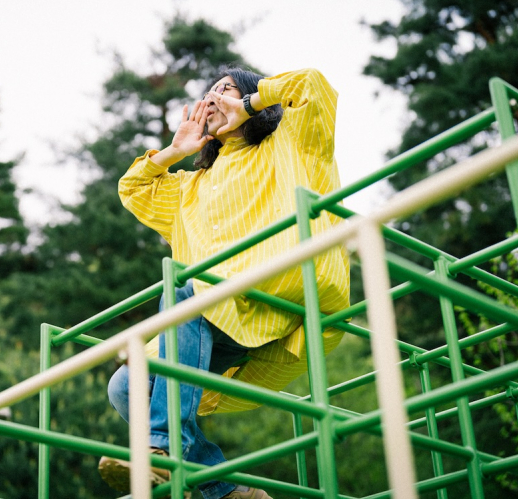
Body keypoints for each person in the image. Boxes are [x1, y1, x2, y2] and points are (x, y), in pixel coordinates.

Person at [99, 66, 350, 499]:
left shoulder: (290, 141)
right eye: (208, 93)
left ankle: (161, 448)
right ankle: (230, 492)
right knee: (125, 386)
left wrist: (250, 106)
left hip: (270, 294)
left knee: (183, 294)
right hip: (208, 315)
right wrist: (173, 151)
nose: (213, 97)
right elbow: (133, 189)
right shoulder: (190, 186)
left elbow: (311, 84)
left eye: (226, 89)